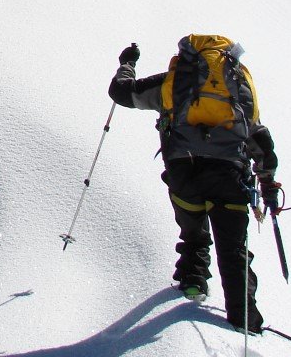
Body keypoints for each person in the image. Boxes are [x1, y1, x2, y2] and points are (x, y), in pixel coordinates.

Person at [108, 36, 280, 334]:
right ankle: (245, 320)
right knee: (234, 248)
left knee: (193, 229)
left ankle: (193, 281)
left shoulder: (175, 82)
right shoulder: (238, 88)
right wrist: (268, 186)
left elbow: (122, 93)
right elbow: (260, 139)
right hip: (231, 176)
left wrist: (127, 63)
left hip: (184, 170)